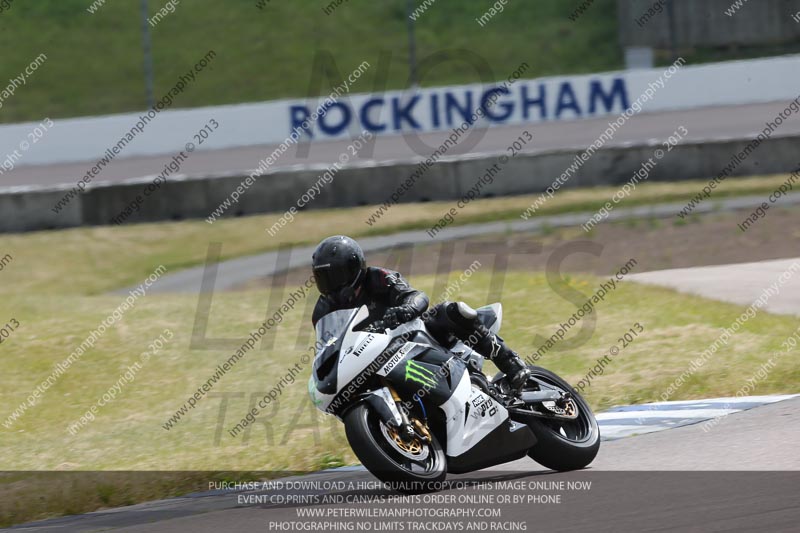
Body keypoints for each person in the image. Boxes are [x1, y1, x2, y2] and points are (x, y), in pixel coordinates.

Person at [311, 235, 531, 393]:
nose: (331, 284)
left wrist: (405, 309)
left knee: (448, 311)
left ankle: (511, 363)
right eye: (324, 278)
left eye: (336, 275)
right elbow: (328, 345)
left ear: (353, 268)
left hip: (411, 335)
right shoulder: (323, 310)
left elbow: (417, 296)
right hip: (371, 355)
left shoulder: (378, 277)